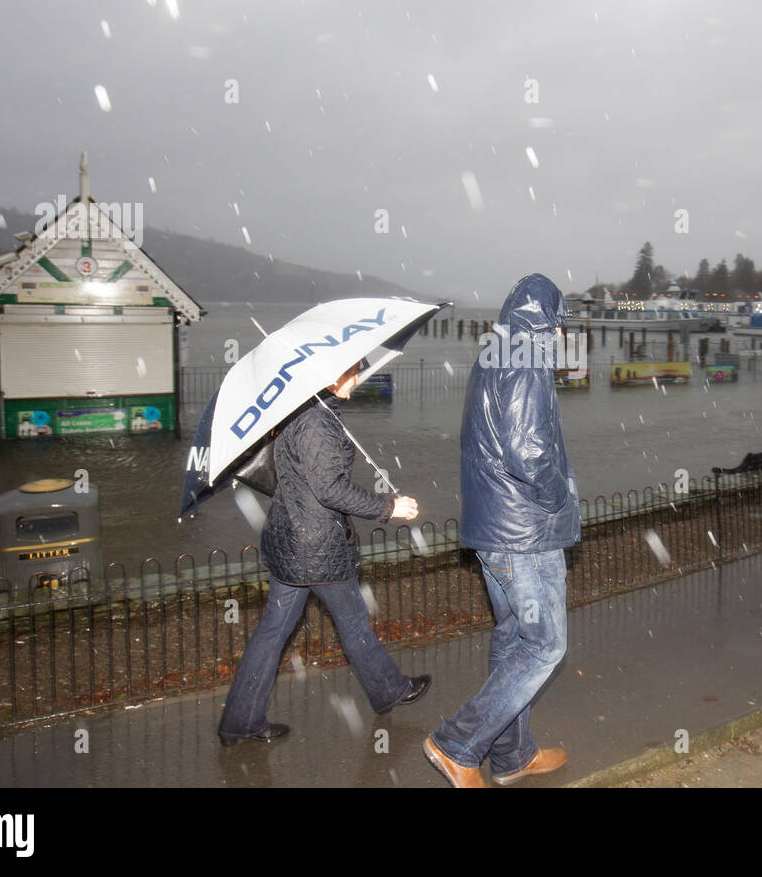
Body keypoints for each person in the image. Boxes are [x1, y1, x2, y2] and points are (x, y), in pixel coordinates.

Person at [217, 361, 429, 746]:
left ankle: (240, 721)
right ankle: (389, 690)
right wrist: (388, 507)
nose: (358, 378)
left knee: (274, 632)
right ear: (331, 375)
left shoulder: (305, 410)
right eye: (353, 372)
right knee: (351, 622)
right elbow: (330, 489)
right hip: (317, 547)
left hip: (293, 542)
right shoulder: (316, 421)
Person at [423, 274, 581, 787]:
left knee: (515, 636)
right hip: (524, 534)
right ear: (545, 320)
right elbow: (529, 451)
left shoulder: (496, 354)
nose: (561, 335)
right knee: (545, 644)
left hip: (497, 528)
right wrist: (561, 499)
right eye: (558, 323)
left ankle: (512, 755)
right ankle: (457, 743)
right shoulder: (525, 357)